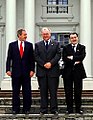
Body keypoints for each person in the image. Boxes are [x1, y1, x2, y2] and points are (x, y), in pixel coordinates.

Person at [6, 28, 35, 114]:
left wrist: (32, 70)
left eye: (26, 34)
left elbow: (31, 59)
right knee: (15, 92)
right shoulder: (12, 45)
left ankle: (26, 109)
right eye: (24, 34)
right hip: (15, 72)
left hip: (26, 73)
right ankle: (15, 109)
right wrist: (8, 69)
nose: (26, 36)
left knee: (27, 91)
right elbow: (9, 58)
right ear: (19, 35)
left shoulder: (29, 45)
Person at [35, 27, 61, 115]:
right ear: (41, 34)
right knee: (43, 92)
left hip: (53, 72)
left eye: (47, 34)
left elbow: (58, 55)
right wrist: (44, 64)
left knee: (53, 92)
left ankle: (54, 109)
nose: (45, 35)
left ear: (50, 34)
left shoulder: (56, 43)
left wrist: (51, 63)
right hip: (42, 72)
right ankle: (43, 109)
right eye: (44, 34)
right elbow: (36, 56)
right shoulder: (38, 44)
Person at [62, 32, 86, 114]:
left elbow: (82, 56)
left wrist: (71, 57)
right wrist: (75, 59)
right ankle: (69, 109)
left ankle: (78, 109)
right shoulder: (65, 47)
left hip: (78, 73)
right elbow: (64, 58)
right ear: (69, 39)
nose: (73, 39)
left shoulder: (82, 47)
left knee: (78, 91)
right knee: (68, 91)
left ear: (77, 38)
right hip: (67, 73)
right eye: (72, 38)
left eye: (75, 37)